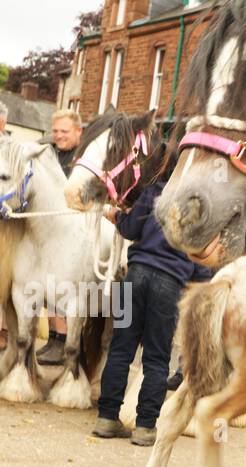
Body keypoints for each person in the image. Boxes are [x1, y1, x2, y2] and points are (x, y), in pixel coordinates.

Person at [93, 177, 212, 447]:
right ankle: (145, 426)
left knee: (119, 349)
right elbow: (202, 262)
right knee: (157, 359)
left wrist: (117, 217)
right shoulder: (204, 204)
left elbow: (131, 228)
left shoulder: (155, 188)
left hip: (132, 278)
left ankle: (106, 417)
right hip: (169, 286)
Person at [37, 109, 86, 365]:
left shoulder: (85, 158)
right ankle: (55, 338)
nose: (58, 136)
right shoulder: (49, 153)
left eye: (64, 132)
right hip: (52, 229)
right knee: (48, 286)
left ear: (79, 131)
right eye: (55, 131)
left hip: (79, 232)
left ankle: (67, 339)